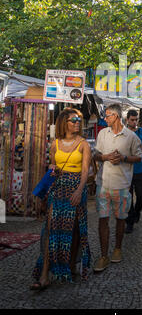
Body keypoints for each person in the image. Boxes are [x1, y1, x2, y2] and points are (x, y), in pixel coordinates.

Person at [31, 108, 91, 290]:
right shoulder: (55, 144)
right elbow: (53, 166)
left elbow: (85, 171)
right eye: (74, 120)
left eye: (79, 120)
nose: (77, 123)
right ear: (64, 122)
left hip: (75, 189)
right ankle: (44, 275)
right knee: (50, 229)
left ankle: (70, 265)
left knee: (73, 231)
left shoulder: (83, 144)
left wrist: (79, 191)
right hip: (58, 188)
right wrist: (52, 169)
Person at [93, 104, 142, 272]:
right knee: (103, 220)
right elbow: (95, 154)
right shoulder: (102, 133)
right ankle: (103, 255)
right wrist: (105, 157)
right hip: (103, 184)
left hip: (122, 185)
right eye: (105, 116)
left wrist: (123, 158)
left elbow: (138, 157)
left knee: (120, 219)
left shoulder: (131, 137)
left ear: (116, 116)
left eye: (108, 116)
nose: (105, 118)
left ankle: (118, 248)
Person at [125, 109, 142, 234]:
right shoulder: (123, 133)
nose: (135, 122)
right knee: (128, 197)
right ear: (127, 120)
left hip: (140, 169)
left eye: (136, 120)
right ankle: (129, 222)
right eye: (132, 120)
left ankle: (137, 211)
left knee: (141, 195)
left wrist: (141, 152)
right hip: (126, 170)